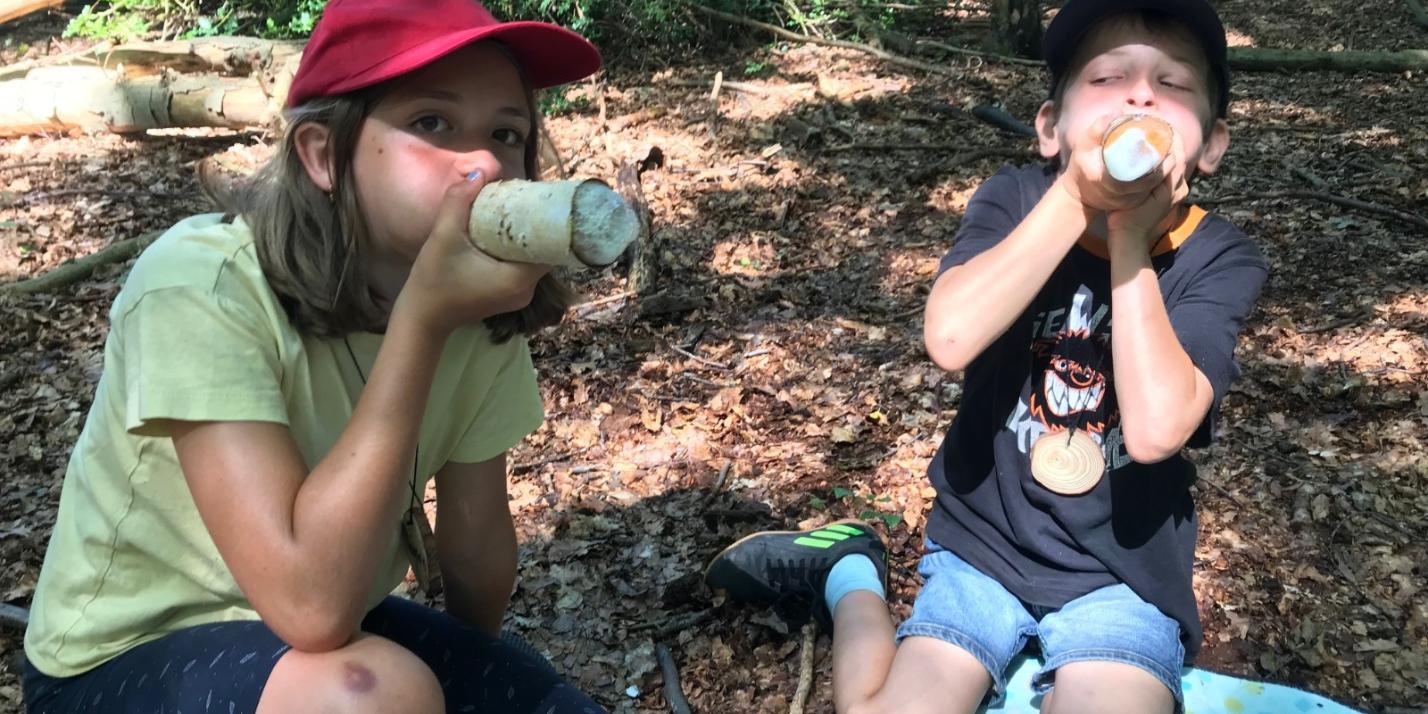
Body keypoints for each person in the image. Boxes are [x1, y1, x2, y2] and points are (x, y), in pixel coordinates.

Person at [21, 1, 609, 712]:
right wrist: (421, 323)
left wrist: (477, 680)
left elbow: (476, 544)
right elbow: (310, 606)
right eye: (432, 123)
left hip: (329, 631)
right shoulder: (201, 284)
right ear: (323, 155)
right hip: (124, 658)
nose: (484, 162)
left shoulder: (477, 304)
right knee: (367, 696)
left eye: (507, 133)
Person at [704, 1, 1267, 713]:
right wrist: (1074, 196)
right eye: (1107, 77)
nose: (1140, 95)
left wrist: (1130, 239)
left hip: (1122, 577)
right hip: (985, 548)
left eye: (1174, 84)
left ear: (1211, 145)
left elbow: (1157, 430)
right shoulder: (1017, 199)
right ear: (1049, 127)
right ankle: (850, 571)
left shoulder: (1220, 257)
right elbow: (950, 338)